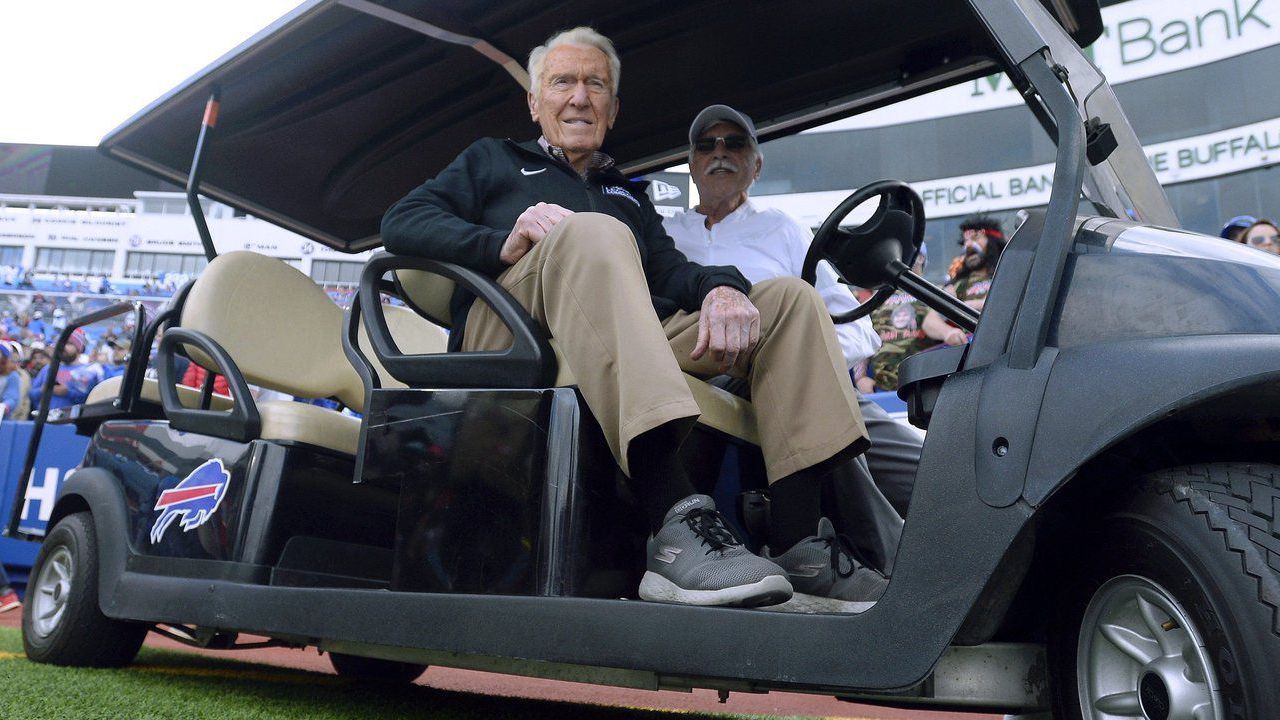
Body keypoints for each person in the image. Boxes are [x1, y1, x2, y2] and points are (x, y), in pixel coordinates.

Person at [382, 27, 881, 610]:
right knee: (591, 233)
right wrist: (503, 241)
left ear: (613, 110)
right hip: (510, 335)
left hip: (610, 334)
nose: (579, 97)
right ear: (534, 103)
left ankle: (801, 546)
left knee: (790, 302)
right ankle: (673, 526)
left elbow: (673, 274)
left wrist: (721, 288)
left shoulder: (627, 195)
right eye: (562, 81)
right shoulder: (493, 160)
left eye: (595, 84)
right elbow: (403, 221)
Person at [664, 104, 921, 554]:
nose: (719, 153)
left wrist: (803, 363)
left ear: (757, 165)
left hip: (806, 378)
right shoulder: (665, 237)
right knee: (833, 433)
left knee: (930, 472)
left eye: (734, 143)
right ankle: (888, 560)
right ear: (691, 164)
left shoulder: (784, 229)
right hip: (712, 380)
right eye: (706, 145)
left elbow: (854, 326)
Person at [862, 247, 940, 396]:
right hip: (883, 391)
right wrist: (861, 377)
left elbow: (944, 331)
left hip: (924, 390)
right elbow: (864, 335)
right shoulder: (878, 298)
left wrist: (949, 333)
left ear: (921, 258)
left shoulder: (936, 294)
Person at [922, 213, 1006, 346]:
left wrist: (970, 306)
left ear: (993, 240)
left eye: (976, 237)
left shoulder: (1007, 274)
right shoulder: (958, 285)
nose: (969, 245)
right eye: (966, 241)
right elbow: (929, 322)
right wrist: (948, 332)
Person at [29, 328, 102, 411]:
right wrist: (43, 390)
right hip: (45, 421)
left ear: (78, 348)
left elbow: (89, 400)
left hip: (71, 422)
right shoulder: (48, 369)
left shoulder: (88, 372)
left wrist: (67, 392)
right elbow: (32, 395)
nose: (63, 346)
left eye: (69, 343)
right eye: (62, 343)